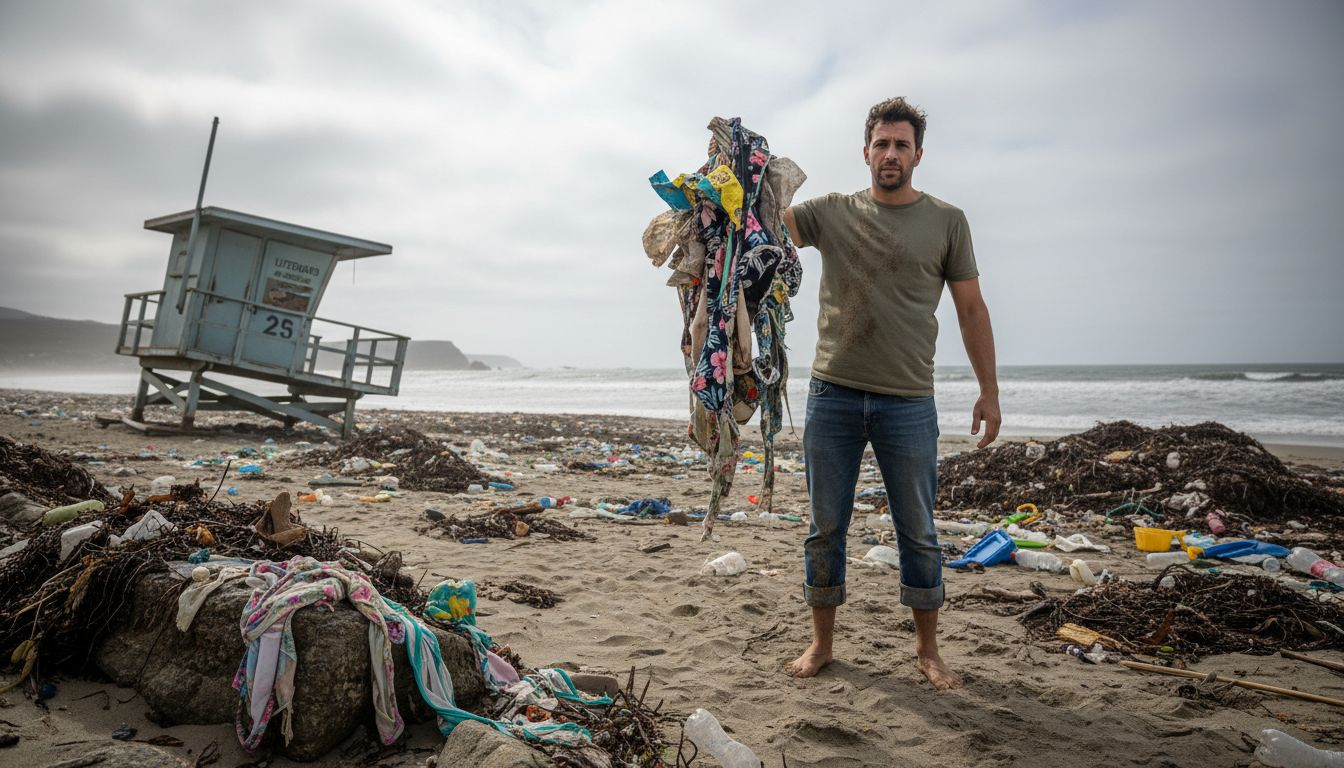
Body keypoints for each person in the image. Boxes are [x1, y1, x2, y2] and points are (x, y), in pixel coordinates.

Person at [781, 97, 1001, 689]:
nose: (891, 154)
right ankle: (822, 642)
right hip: (833, 395)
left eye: (902, 145)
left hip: (908, 400)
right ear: (866, 151)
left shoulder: (947, 222)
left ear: (918, 155)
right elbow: (766, 227)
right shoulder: (830, 211)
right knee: (825, 524)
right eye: (882, 143)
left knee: (919, 530)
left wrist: (989, 390)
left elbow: (971, 307)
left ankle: (928, 651)